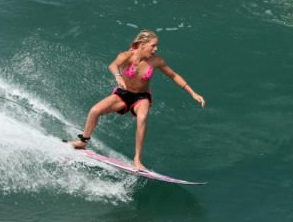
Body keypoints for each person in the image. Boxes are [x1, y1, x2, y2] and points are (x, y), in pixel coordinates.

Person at [68, 29, 205, 170]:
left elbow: (174, 76)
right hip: (123, 94)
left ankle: (137, 159)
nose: (156, 49)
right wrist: (118, 76)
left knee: (142, 117)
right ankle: (83, 142)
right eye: (153, 45)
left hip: (142, 97)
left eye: (156, 46)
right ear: (142, 45)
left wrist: (192, 93)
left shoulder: (156, 61)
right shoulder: (126, 56)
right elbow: (113, 65)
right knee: (95, 110)